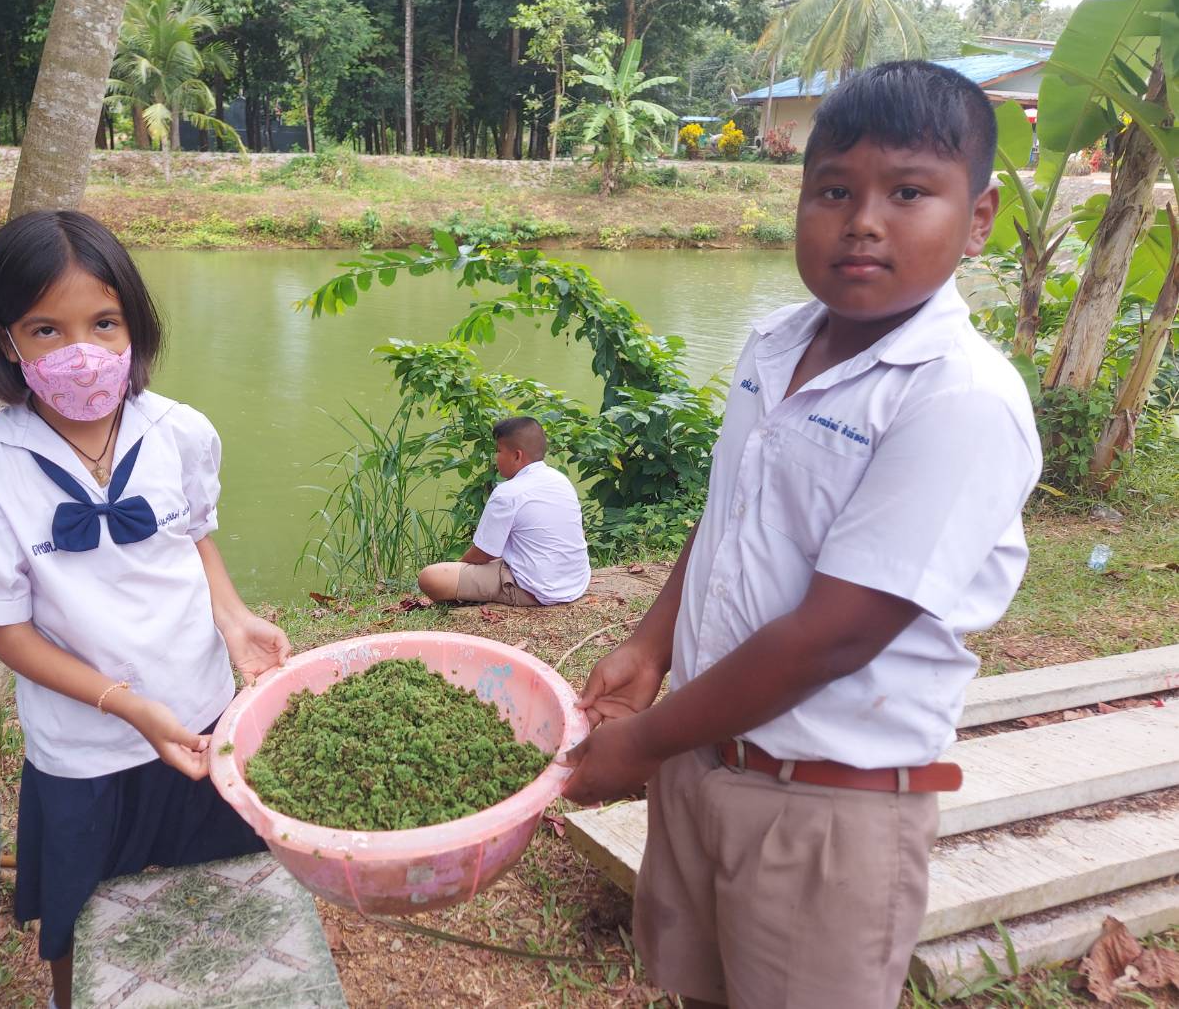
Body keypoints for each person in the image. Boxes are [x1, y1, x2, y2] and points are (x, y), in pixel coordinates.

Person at [560, 61, 1041, 1009]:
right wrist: (652, 640)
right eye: (833, 190)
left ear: (977, 218)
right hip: (704, 758)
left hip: (826, 805)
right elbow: (735, 503)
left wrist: (642, 744)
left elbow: (836, 634)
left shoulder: (957, 399)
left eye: (908, 192)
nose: (862, 220)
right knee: (694, 988)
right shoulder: (775, 343)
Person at [0, 210, 291, 1009]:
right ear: (6, 342)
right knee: (78, 917)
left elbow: (193, 538)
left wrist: (232, 619)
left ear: (134, 323)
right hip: (82, 748)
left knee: (224, 887)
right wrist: (129, 708)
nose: (82, 353)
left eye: (104, 323)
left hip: (204, 715)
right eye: (46, 329)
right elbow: (12, 635)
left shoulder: (181, 432)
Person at [417, 416, 591, 607]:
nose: (495, 457)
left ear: (517, 456)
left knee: (431, 577)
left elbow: (483, 555)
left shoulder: (508, 493)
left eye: (498, 451)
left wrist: (459, 568)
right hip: (576, 582)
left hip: (537, 588)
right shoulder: (560, 480)